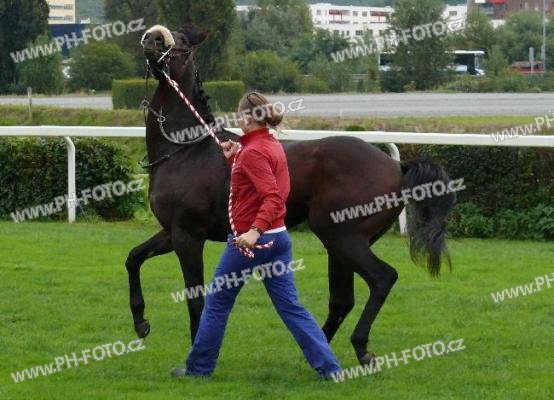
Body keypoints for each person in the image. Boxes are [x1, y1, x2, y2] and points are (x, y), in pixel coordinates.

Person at [171, 92, 341, 379]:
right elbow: (261, 187)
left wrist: (254, 231)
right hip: (279, 240)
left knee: (216, 304)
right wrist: (233, 159)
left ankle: (198, 370)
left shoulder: (252, 153)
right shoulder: (269, 145)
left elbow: (272, 197)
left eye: (240, 114)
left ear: (249, 118)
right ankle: (331, 369)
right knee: (291, 307)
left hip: (252, 243)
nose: (237, 119)